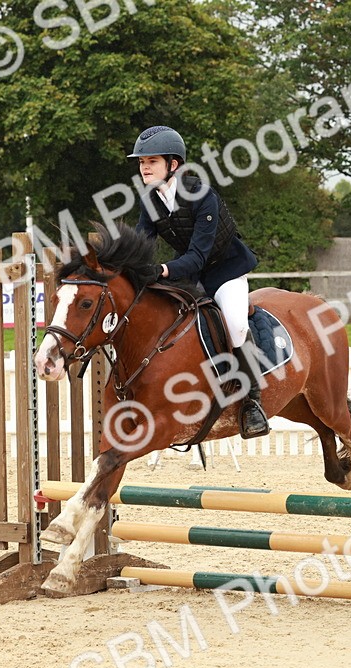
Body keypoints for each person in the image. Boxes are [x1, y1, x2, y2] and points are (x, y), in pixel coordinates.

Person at [129, 125, 269, 438]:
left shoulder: (202, 195)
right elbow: (141, 244)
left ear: (173, 165)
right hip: (191, 273)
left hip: (225, 270)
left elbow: (198, 256)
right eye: (141, 162)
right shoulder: (150, 200)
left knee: (234, 323)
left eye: (151, 161)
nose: (144, 167)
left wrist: (162, 270)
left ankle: (252, 403)